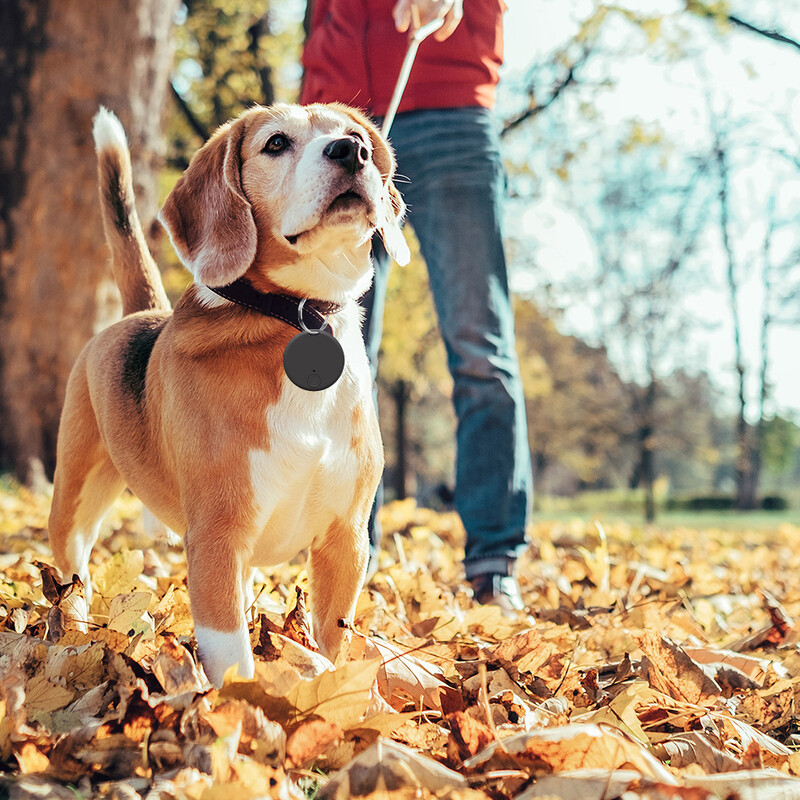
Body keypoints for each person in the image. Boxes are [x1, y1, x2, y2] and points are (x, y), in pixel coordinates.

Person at [301, 0, 532, 611]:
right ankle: (348, 557)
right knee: (334, 358)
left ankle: (493, 564)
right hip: (331, 118)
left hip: (449, 106)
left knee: (478, 343)